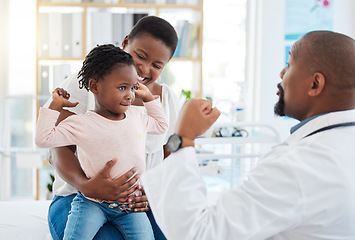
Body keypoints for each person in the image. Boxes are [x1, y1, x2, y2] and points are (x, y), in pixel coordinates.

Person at [141, 30, 355, 239]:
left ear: (315, 84)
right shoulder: (340, 146)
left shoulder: (301, 166)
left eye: (289, 65)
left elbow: (199, 233)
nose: (282, 73)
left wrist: (183, 138)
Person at [45, 16, 180, 240]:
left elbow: (171, 158)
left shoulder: (166, 101)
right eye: (140, 56)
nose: (144, 69)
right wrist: (87, 186)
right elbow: (58, 148)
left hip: (135, 204)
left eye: (157, 65)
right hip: (80, 197)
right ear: (126, 42)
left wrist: (153, 192)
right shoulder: (89, 82)